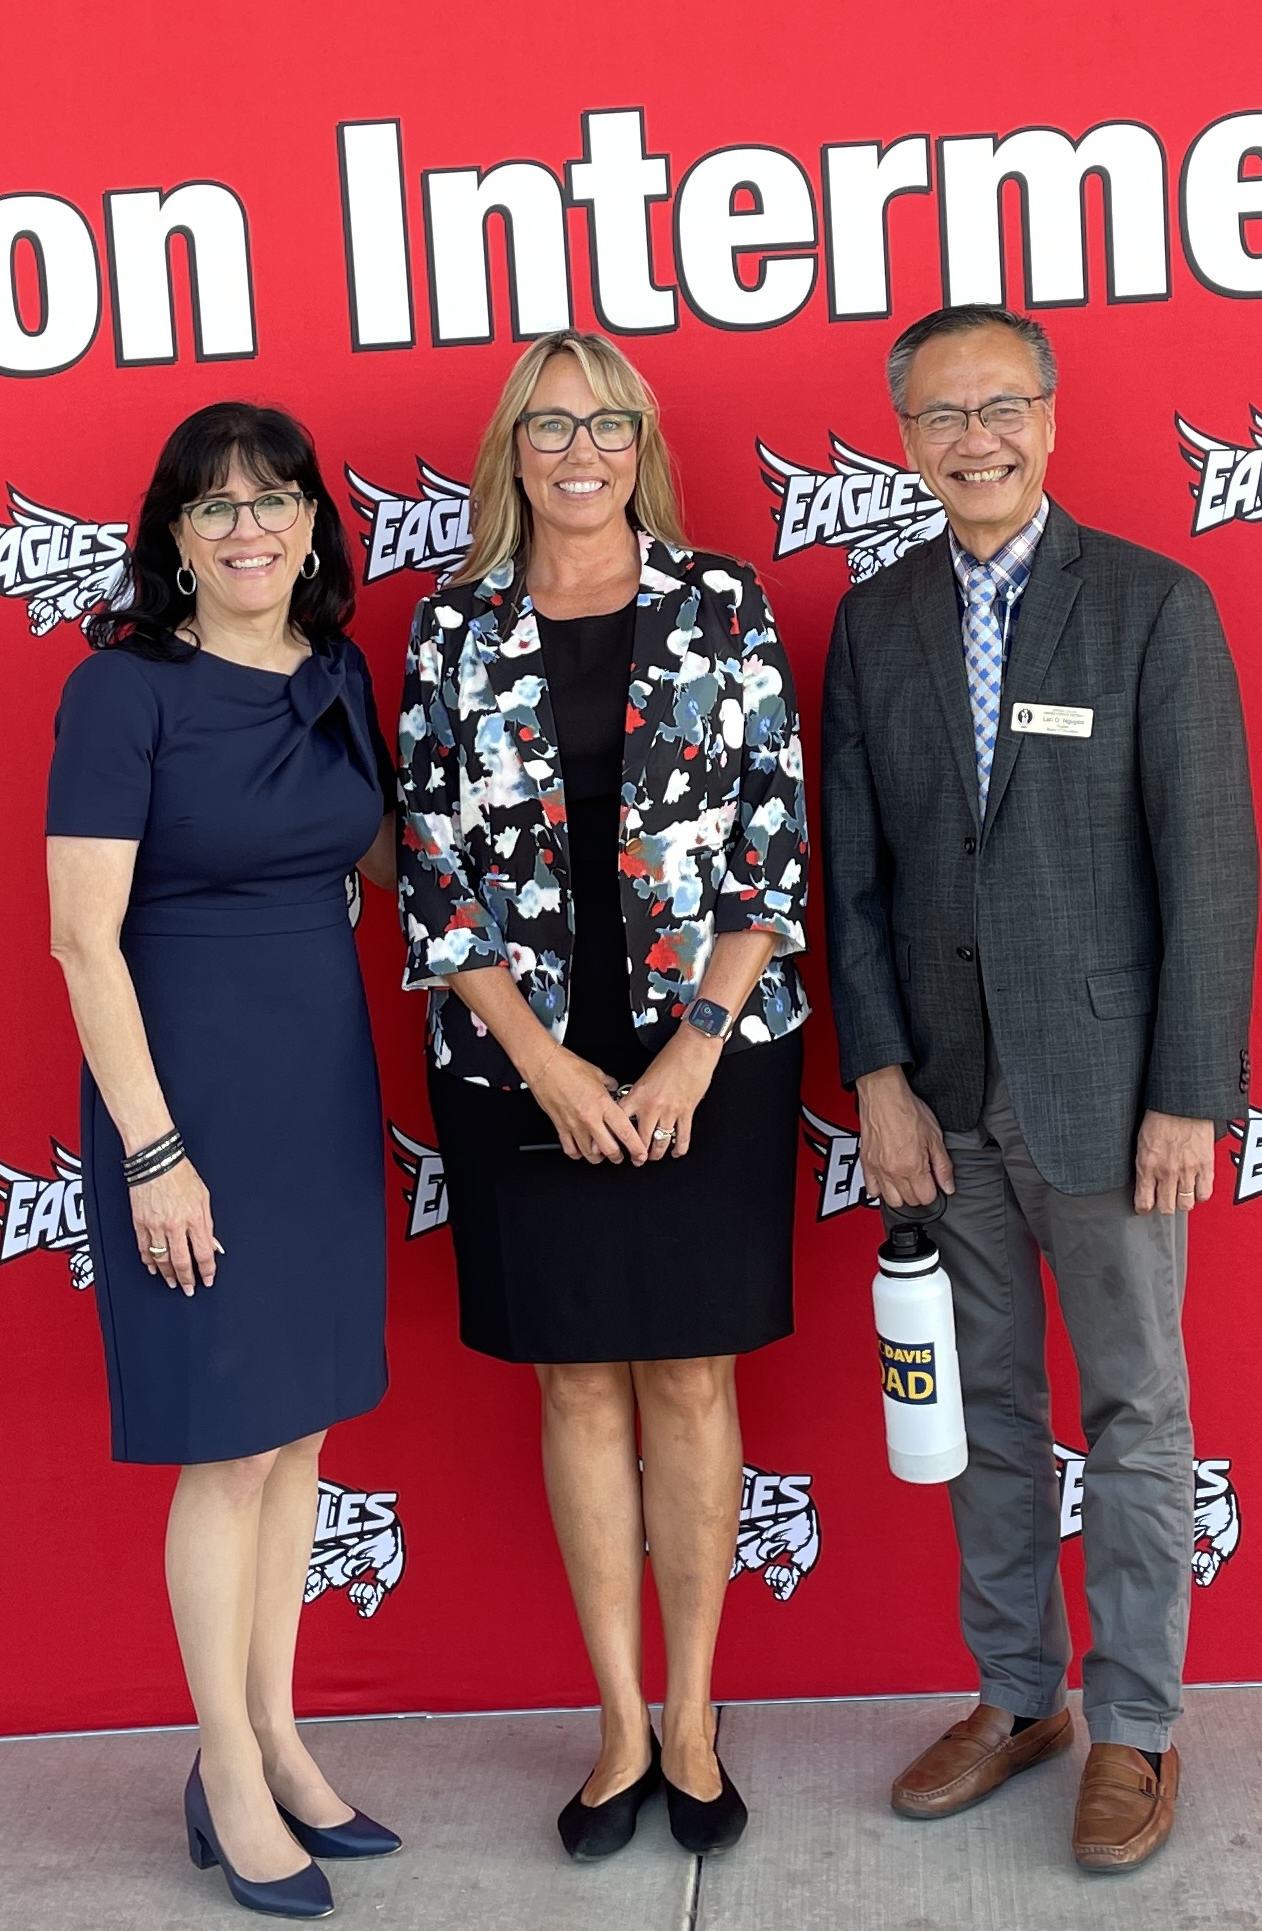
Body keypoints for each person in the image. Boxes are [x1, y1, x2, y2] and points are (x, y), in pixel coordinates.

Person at [817, 305, 1259, 1875]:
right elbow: (849, 878)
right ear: (903, 440)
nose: (973, 439)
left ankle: (1133, 1723)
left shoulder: (1151, 606)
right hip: (943, 1102)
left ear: (1050, 420)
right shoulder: (871, 624)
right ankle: (1019, 1697)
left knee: (1136, 1412)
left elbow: (1209, 864)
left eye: (998, 406)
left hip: (1110, 1097)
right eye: (940, 415)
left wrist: (1188, 1092)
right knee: (989, 1411)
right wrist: (878, 1076)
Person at [396, 330, 810, 1861]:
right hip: (521, 1066)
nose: (582, 450)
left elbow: (771, 839)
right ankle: (619, 1726)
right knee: (575, 1384)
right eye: (551, 424)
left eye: (608, 422)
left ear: (644, 442)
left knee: (691, 1378)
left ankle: (692, 1721)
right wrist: (545, 1062)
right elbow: (428, 865)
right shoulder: (449, 626)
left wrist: (693, 1046)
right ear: (511, 449)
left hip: (714, 1053)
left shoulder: (723, 602)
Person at [45, 402, 404, 1921]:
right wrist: (155, 1152)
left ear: (314, 524)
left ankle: (275, 1738)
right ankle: (223, 1769)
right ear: (176, 539)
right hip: (186, 1100)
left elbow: (385, 853)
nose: (248, 529)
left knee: (300, 1433)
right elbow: (83, 938)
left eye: (274, 501)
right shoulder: (121, 691)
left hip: (317, 1086)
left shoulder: (337, 674)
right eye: (215, 508)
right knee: (229, 1444)